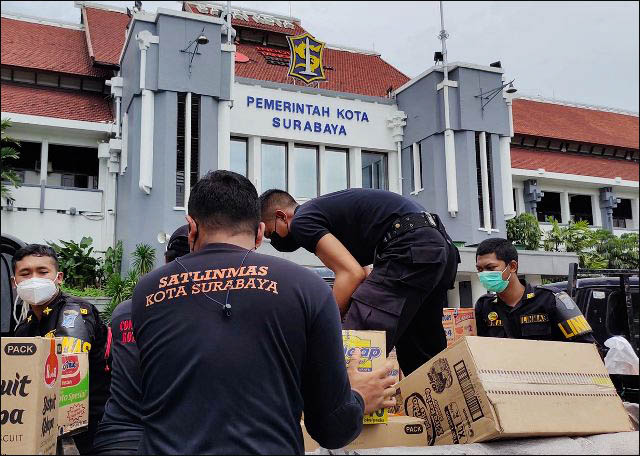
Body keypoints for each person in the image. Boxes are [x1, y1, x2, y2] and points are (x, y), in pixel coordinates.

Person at [131, 171, 396, 454]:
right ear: (259, 233)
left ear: (191, 228)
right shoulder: (307, 288)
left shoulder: (147, 293)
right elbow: (331, 429)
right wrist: (357, 397)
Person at [259, 188, 460, 376]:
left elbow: (350, 274)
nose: (274, 240)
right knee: (419, 350)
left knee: (356, 341)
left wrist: (320, 322)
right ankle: (439, 408)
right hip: (437, 244)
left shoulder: (302, 221)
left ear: (281, 216)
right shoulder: (327, 215)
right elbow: (361, 273)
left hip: (410, 243)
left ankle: (345, 410)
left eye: (270, 233)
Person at [92, 226, 190, 455]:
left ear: (166, 261)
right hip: (172, 437)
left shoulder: (125, 310)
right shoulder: (205, 311)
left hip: (117, 435)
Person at [12, 244, 111, 454]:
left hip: (89, 427)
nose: (34, 279)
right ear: (15, 282)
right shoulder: (25, 326)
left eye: (42, 271)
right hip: (47, 424)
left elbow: (69, 372)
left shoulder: (73, 312)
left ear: (59, 277)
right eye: (25, 273)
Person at [474, 238, 597, 343]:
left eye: (490, 268)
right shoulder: (484, 306)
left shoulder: (552, 299)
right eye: (480, 269)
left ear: (512, 266)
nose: (484, 274)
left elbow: (588, 348)